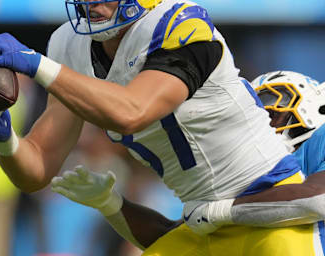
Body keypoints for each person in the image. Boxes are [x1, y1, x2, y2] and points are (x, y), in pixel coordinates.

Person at [0, 0, 323, 255]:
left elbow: (132, 111)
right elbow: (37, 169)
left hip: (268, 211)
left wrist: (35, 64)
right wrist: (6, 141)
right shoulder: (69, 45)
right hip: (198, 222)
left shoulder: (182, 27)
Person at [52, 70, 325, 255]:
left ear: (314, 108)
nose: (262, 118)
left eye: (271, 108)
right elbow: (177, 237)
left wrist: (220, 211)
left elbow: (317, 200)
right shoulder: (243, 171)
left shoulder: (318, 140)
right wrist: (110, 203)